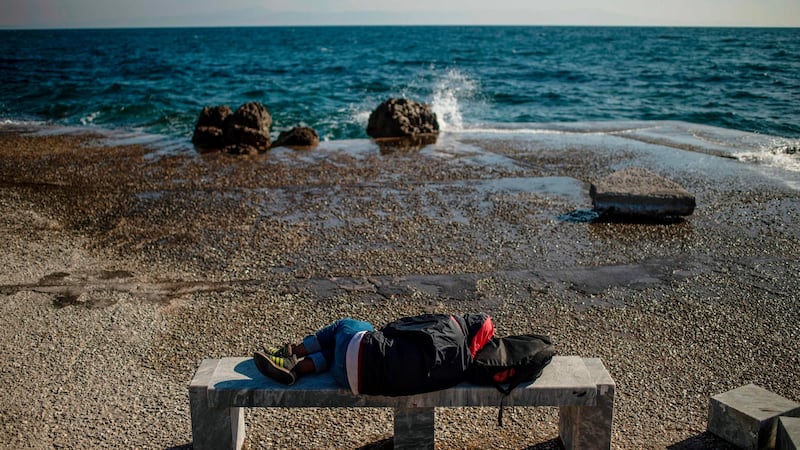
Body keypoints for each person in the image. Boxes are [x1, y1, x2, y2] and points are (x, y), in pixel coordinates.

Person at [254, 313, 495, 396]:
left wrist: (378, 333)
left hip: (359, 358)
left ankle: (291, 351)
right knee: (343, 350)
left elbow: (396, 327)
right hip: (360, 382)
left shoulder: (448, 324)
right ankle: (297, 368)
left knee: (349, 326)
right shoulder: (463, 367)